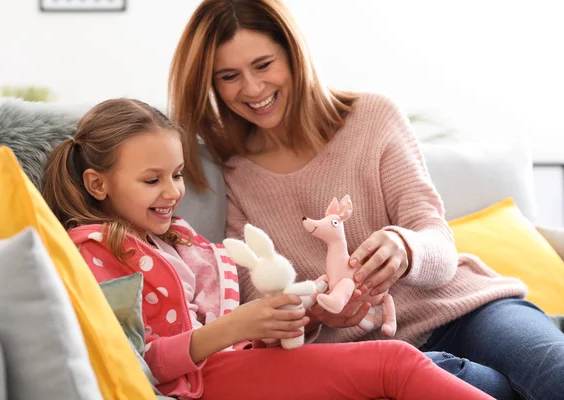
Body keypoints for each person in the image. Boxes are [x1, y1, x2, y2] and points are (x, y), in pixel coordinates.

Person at [168, 1, 564, 399]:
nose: (252, 88)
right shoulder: (229, 173)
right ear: (212, 84)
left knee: (552, 368)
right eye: (229, 76)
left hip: (468, 309)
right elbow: (260, 299)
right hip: (384, 357)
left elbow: (437, 240)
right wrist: (314, 315)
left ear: (293, 55)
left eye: (264, 64)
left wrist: (405, 246)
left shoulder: (372, 117)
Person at [41, 98, 491, 400]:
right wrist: (237, 327)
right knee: (394, 364)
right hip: (199, 384)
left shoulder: (182, 242)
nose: (173, 192)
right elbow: (138, 362)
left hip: (233, 369)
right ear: (97, 184)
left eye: (177, 175)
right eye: (152, 179)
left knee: (396, 370)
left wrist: (287, 320)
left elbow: (233, 332)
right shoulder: (93, 253)